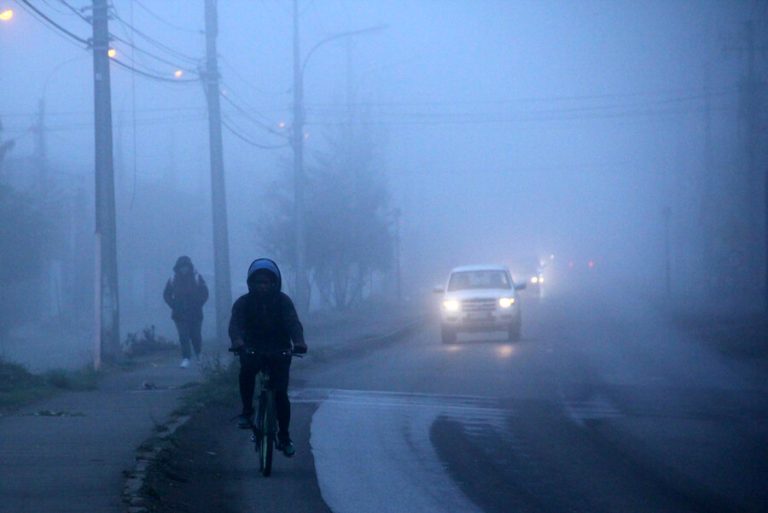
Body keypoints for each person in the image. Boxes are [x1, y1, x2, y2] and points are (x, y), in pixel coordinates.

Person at [228, 258, 307, 457]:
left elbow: (293, 323)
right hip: (252, 349)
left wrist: (299, 342)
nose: (262, 286)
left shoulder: (283, 301)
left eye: (266, 282)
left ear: (274, 283)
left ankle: (285, 436)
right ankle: (247, 412)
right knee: (246, 372)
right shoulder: (243, 303)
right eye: (258, 282)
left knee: (280, 394)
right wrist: (237, 341)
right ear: (251, 283)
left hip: (279, 350)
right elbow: (234, 325)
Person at [163, 256, 209, 368]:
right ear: (178, 268)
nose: (184, 269)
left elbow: (205, 293)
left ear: (189, 267)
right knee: (183, 336)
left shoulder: (197, 277)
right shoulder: (172, 279)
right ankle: (186, 358)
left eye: (186, 267)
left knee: (195, 336)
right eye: (182, 267)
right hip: (179, 313)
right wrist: (173, 304)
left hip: (195, 313)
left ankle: (199, 354)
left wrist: (198, 304)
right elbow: (166, 294)